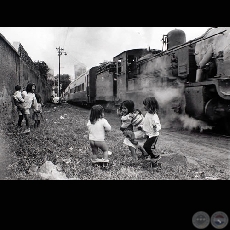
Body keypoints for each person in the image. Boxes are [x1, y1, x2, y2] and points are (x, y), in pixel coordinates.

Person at [141, 97, 162, 165]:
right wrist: (142, 127)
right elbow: (146, 123)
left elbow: (158, 126)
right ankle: (150, 157)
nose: (144, 107)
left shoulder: (154, 116)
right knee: (147, 146)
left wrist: (156, 127)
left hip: (154, 135)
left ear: (151, 106)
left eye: (145, 105)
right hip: (149, 134)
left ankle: (154, 157)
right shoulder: (147, 114)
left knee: (146, 146)